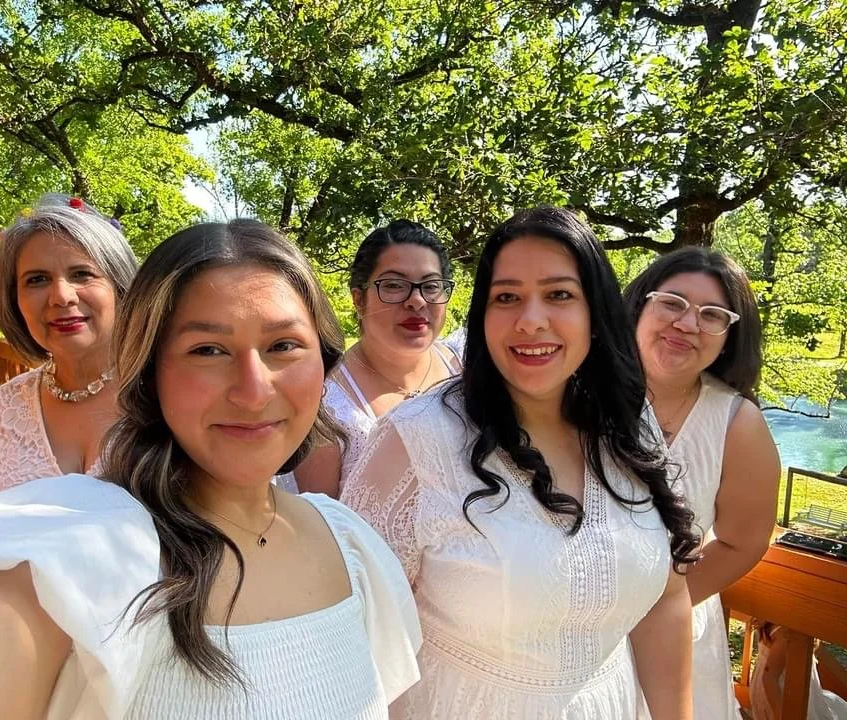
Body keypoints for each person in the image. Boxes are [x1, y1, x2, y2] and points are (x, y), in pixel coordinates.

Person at [0, 220, 421, 719]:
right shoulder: (100, 545)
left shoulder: (350, 542)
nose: (254, 390)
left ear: (322, 364)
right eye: (208, 349)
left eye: (283, 345)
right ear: (149, 374)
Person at [342, 206, 700, 718]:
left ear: (595, 312)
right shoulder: (416, 442)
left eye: (559, 294)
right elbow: (362, 634)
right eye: (507, 296)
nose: (531, 320)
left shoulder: (628, 421)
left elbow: (665, 601)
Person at [625, 247, 781, 720]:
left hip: (677, 638)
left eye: (712, 315)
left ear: (729, 336)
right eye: (671, 303)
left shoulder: (737, 422)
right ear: (639, 306)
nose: (687, 324)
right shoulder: (578, 393)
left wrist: (656, 612)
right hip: (570, 628)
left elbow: (742, 541)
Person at [0, 194, 138, 497]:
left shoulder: (170, 395)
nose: (61, 296)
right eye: (37, 279)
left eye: (81, 274)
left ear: (120, 287)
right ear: (14, 300)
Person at [293, 220, 461, 497]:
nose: (417, 301)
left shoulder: (465, 364)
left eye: (431, 286)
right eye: (394, 285)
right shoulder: (326, 407)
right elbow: (323, 525)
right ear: (359, 299)